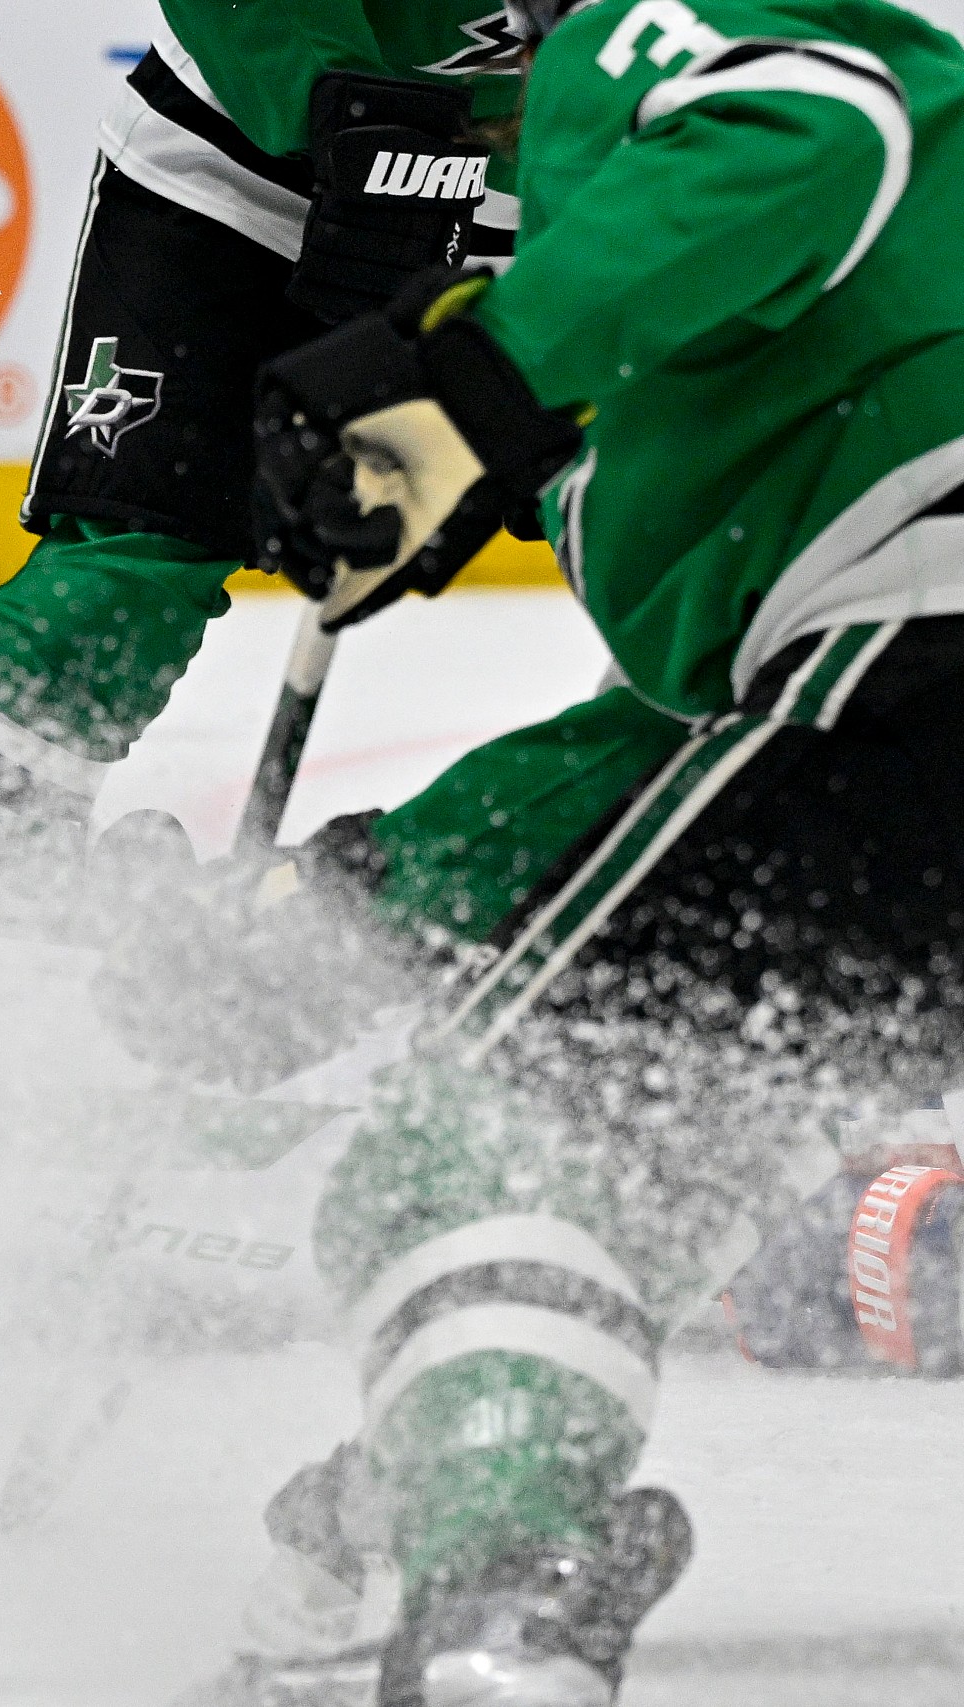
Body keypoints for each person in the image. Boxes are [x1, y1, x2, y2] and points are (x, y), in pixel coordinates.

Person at [182, 0, 964, 1696]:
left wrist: (471, 385)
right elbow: (681, 745)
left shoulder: (649, 35)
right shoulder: (760, 376)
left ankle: (502, 1564)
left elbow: (811, 125)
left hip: (931, 660)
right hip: (898, 702)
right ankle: (445, 1468)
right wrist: (365, 896)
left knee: (481, 1150)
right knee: (649, 1133)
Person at [0, 0, 527, 839]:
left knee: (661, 537)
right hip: (233, 176)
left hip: (545, 218)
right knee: (135, 552)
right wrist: (343, 109)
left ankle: (611, 860)